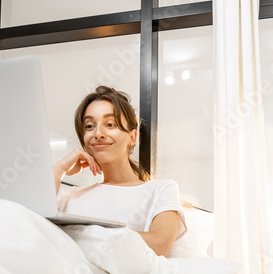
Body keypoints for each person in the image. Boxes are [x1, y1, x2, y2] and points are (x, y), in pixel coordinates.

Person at [52, 86, 185, 257]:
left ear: (132, 137)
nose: (98, 133)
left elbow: (159, 245)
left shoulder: (161, 190)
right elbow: (27, 228)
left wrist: (76, 234)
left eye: (110, 124)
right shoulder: (68, 196)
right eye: (90, 126)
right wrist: (58, 170)